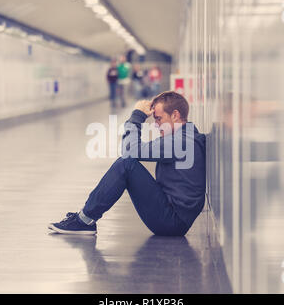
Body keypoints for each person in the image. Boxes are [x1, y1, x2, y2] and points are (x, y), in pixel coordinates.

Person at [48, 91, 206, 236]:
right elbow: (136, 149)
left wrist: (137, 116)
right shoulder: (185, 138)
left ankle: (84, 220)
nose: (156, 125)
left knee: (126, 164)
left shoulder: (181, 142)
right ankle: (85, 218)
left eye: (158, 118)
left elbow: (130, 151)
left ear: (175, 115)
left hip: (172, 222)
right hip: (173, 216)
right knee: (127, 163)